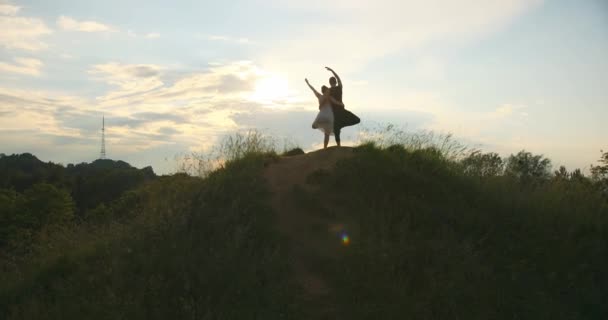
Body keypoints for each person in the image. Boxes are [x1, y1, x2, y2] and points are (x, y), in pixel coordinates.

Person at [325, 67, 360, 146]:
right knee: (357, 120)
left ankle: (339, 145)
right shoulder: (339, 87)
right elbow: (338, 78)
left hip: (335, 113)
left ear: (330, 83)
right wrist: (332, 70)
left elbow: (331, 99)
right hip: (341, 110)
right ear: (335, 82)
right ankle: (342, 125)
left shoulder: (329, 91)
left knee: (336, 130)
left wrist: (337, 103)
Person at [306, 78, 344, 149]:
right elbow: (335, 102)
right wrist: (341, 104)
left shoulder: (319, 96)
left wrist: (308, 83)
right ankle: (339, 146)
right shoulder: (329, 97)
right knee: (335, 131)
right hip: (330, 116)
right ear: (326, 91)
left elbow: (313, 89)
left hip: (321, 116)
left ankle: (325, 148)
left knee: (326, 134)